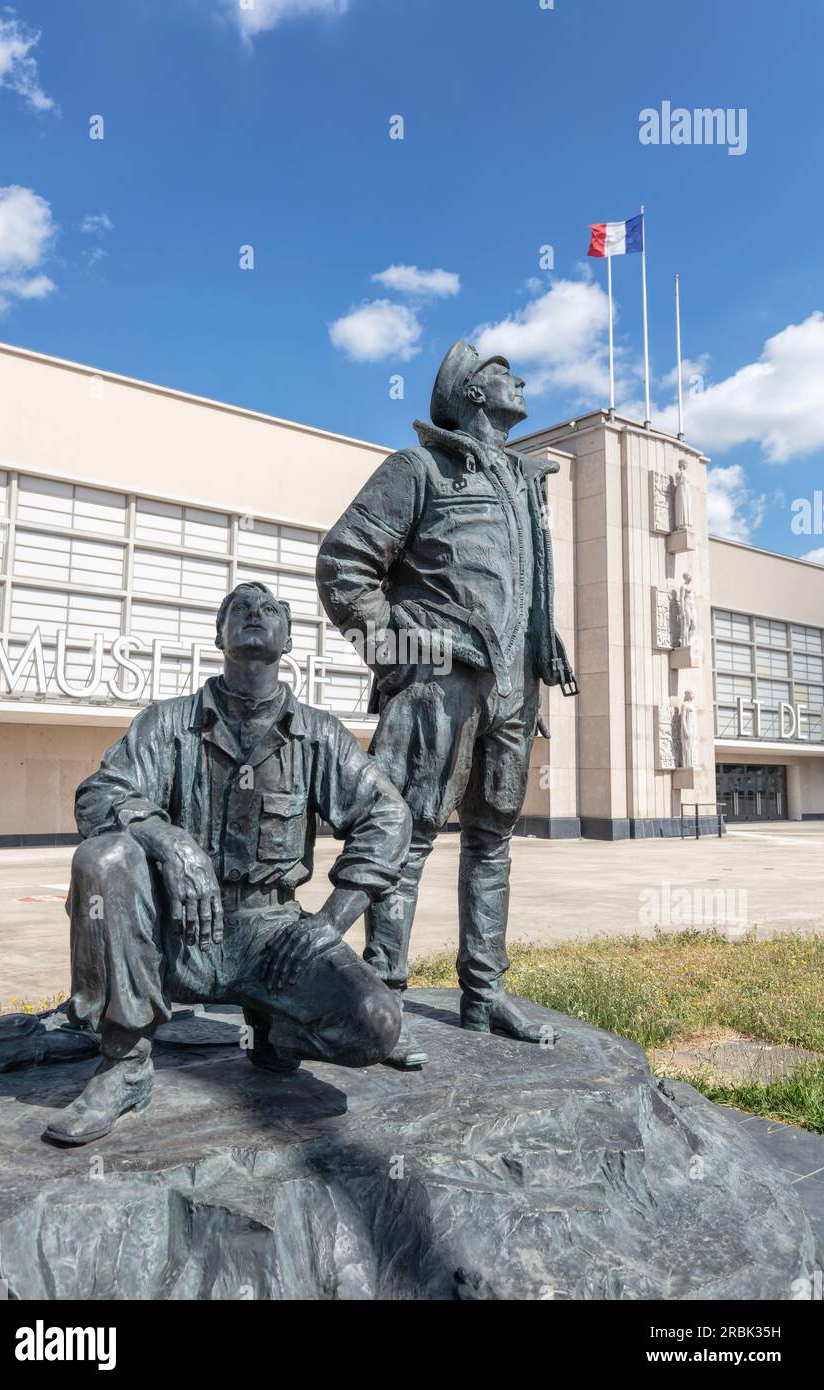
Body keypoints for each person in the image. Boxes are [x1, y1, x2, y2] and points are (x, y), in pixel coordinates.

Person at [45, 582, 409, 1145]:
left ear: (288, 639)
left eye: (269, 610)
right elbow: (99, 794)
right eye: (239, 609)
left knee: (375, 1027)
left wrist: (327, 925)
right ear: (220, 635)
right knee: (105, 855)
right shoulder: (167, 724)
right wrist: (165, 838)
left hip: (275, 937)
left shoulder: (317, 734)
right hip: (179, 935)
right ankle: (125, 1064)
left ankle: (277, 1031)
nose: (254, 615)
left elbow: (388, 816)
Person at [317, 341, 577, 1067]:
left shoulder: (525, 482)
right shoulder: (420, 469)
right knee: (404, 838)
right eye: (501, 370)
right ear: (469, 392)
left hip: (513, 686)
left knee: (493, 840)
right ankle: (383, 1001)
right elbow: (344, 564)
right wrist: (409, 646)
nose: (519, 377)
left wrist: (541, 641)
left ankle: (484, 994)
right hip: (439, 684)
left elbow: (517, 585)